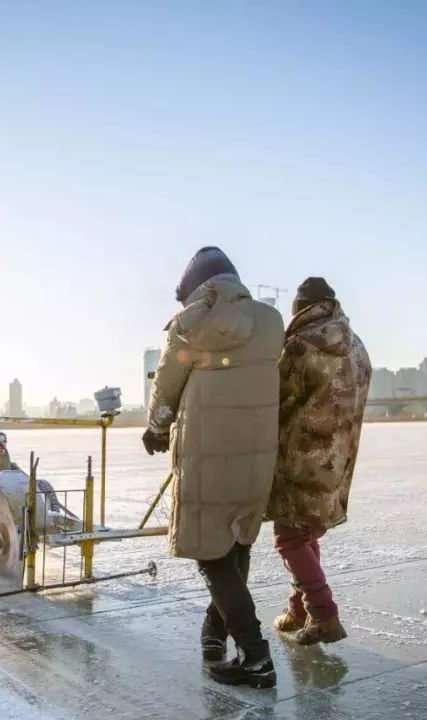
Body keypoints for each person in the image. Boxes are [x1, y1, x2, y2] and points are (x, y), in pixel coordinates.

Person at [143, 246, 284, 689]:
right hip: (258, 447)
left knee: (211, 554)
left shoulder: (189, 327)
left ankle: (256, 657)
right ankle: (213, 635)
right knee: (236, 541)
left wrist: (155, 428)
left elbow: (167, 383)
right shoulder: (271, 321)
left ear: (197, 290)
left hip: (207, 449)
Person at [266, 277, 371, 644]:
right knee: (306, 533)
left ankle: (324, 613)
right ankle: (299, 610)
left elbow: (275, 401)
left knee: (290, 537)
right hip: (340, 457)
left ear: (300, 309)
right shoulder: (357, 347)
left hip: (302, 456)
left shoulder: (299, 346)